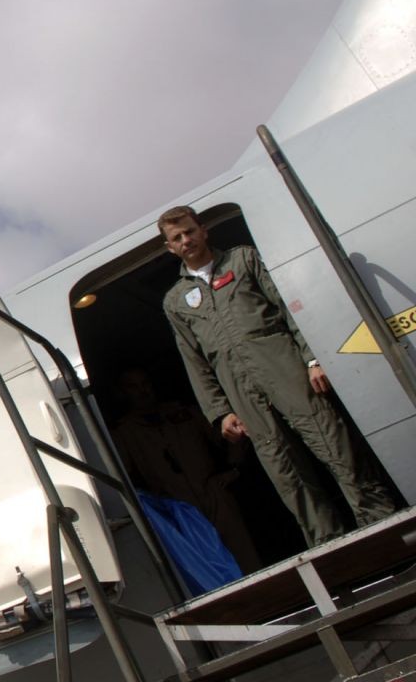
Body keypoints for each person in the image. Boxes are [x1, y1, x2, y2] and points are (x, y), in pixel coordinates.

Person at [158, 206, 398, 546]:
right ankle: (335, 548)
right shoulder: (176, 301)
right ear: (170, 248)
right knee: (287, 475)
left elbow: (287, 307)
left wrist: (312, 358)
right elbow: (194, 361)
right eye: (177, 238)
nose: (186, 240)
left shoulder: (242, 260)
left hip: (287, 371)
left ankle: (386, 528)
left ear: (203, 230)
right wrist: (220, 412)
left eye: (189, 231)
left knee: (338, 450)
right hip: (242, 393)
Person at [112, 367, 262, 572]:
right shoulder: (124, 432)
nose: (142, 391)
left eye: (145, 384)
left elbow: (230, 435)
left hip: (214, 493)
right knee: (209, 568)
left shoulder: (182, 412)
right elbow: (123, 478)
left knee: (245, 559)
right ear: (123, 393)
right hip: (178, 508)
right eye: (133, 387)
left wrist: (234, 468)